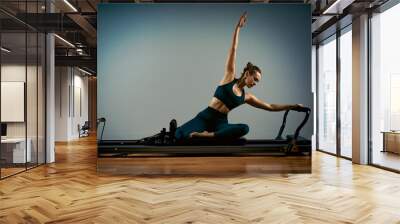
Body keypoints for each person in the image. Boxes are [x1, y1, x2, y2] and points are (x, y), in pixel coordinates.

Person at [174, 12, 303, 141]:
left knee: (244, 128)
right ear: (247, 74)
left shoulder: (247, 97)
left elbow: (270, 107)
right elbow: (233, 49)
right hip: (205, 117)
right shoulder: (229, 77)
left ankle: (208, 135)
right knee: (178, 135)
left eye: (258, 82)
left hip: (220, 123)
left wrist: (293, 106)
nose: (255, 83)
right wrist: (238, 28)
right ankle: (207, 135)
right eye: (255, 79)